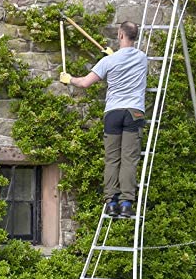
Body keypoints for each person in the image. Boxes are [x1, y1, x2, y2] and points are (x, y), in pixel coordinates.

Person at [60, 21, 147, 218]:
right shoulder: (142, 58)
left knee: (112, 159)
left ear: (120, 35)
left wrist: (69, 78)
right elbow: (125, 60)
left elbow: (84, 83)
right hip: (134, 113)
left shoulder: (108, 62)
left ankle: (111, 202)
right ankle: (126, 203)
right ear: (134, 36)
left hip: (113, 113)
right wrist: (112, 56)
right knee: (129, 160)